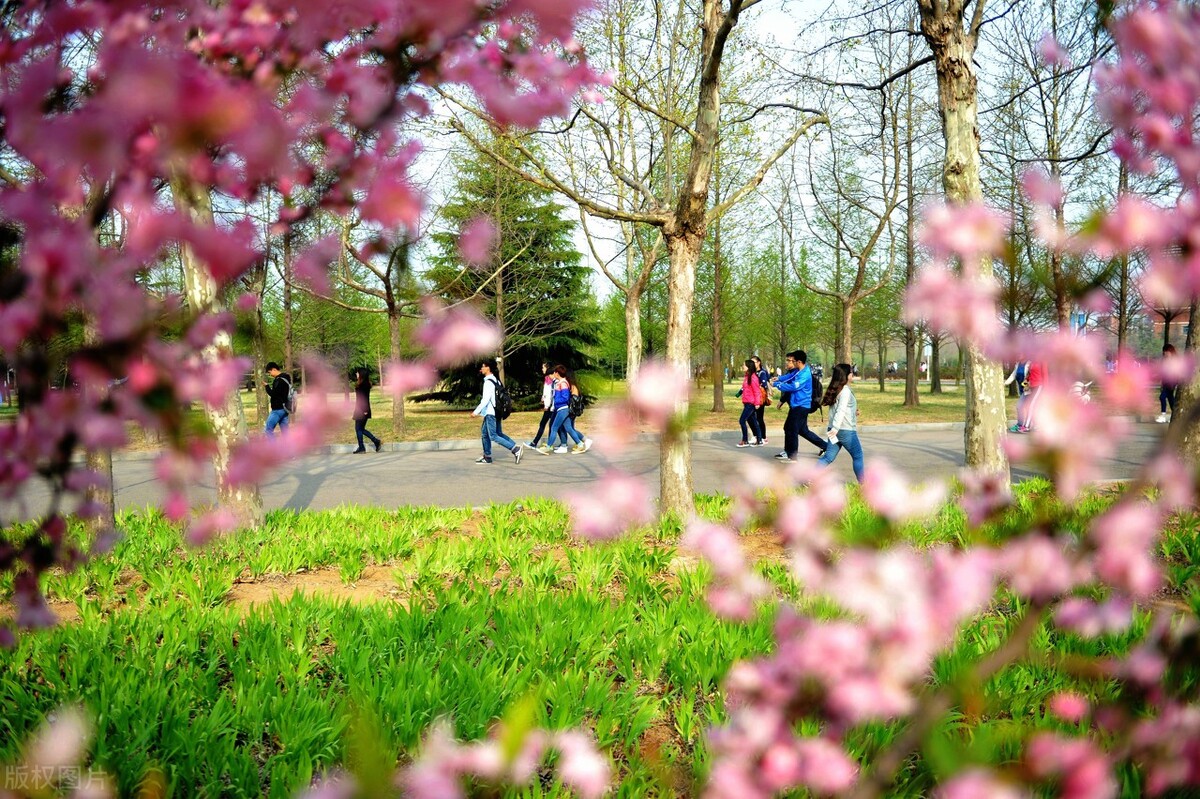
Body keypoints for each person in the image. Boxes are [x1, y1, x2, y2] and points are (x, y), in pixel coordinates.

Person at [770, 349, 826, 462]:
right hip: (797, 405)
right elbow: (789, 377)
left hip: (801, 406)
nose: (791, 362)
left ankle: (792, 456)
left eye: (793, 360)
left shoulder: (804, 374)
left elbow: (794, 386)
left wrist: (776, 385)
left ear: (799, 361)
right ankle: (826, 446)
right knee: (802, 430)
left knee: (792, 429)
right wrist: (779, 378)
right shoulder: (798, 371)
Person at [817, 363, 864, 482]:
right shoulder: (845, 390)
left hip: (834, 430)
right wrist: (836, 428)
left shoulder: (835, 388)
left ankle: (810, 479)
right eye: (850, 372)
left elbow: (839, 409)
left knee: (828, 457)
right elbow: (841, 410)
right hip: (845, 430)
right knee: (858, 456)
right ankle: (865, 486)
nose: (852, 374)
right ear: (846, 375)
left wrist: (854, 411)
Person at [471, 359, 522, 465]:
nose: (481, 368)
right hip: (496, 412)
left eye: (483, 366)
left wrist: (476, 412)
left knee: (493, 436)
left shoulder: (488, 382)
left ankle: (515, 449)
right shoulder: (496, 380)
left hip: (491, 413)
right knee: (486, 434)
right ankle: (487, 456)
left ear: (488, 368)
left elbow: (485, 400)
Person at [351, 367, 382, 453]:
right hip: (361, 409)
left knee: (358, 429)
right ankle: (375, 441)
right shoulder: (364, 385)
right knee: (361, 429)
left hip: (361, 410)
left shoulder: (362, 386)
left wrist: (364, 410)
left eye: (357, 373)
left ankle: (362, 447)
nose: (356, 374)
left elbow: (363, 399)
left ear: (361, 375)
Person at [526, 362, 555, 452]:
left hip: (550, 407)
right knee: (550, 425)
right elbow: (546, 393)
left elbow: (549, 393)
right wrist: (543, 398)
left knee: (547, 424)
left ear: (548, 368)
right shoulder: (547, 379)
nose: (542, 369)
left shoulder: (549, 379)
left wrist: (546, 405)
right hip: (550, 406)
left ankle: (537, 443)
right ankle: (549, 444)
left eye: (543, 367)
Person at [735, 359, 764, 448]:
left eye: (744, 365)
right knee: (754, 421)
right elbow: (745, 388)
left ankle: (745, 440)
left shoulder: (753, 377)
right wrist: (739, 393)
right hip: (747, 402)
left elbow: (757, 391)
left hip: (751, 403)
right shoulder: (747, 376)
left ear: (749, 367)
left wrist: (757, 403)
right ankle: (759, 440)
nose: (742, 366)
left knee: (742, 420)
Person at [263, 361, 290, 438]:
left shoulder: (278, 380)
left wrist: (267, 386)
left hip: (278, 409)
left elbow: (273, 394)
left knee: (268, 430)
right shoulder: (286, 378)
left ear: (274, 369)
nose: (270, 374)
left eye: (270, 372)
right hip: (285, 408)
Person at [1004, 359, 1032, 433]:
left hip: (1029, 389)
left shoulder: (1029, 363)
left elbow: (1030, 376)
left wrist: (1026, 386)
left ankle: (1021, 425)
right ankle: (1028, 425)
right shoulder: (1018, 364)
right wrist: (1004, 383)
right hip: (1021, 388)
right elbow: (1013, 375)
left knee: (1020, 406)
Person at [752, 355, 771, 446]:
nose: (752, 364)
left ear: (759, 362)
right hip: (753, 398)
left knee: (759, 418)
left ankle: (763, 437)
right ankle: (757, 436)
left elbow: (764, 385)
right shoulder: (752, 372)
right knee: (753, 417)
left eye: (754, 362)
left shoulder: (762, 372)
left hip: (760, 398)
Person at [1158, 344, 1179, 423]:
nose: (1164, 353)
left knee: (1162, 397)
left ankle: (1163, 416)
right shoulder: (1164, 360)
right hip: (1166, 382)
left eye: (1166, 351)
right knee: (1170, 399)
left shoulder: (1175, 360)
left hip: (1172, 382)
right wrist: (1162, 383)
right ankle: (1175, 416)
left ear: (1170, 351)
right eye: (1164, 351)